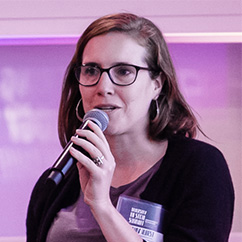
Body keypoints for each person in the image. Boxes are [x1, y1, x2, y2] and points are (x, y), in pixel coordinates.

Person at [26, 13, 234, 242]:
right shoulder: (57, 180)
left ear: (157, 84)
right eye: (91, 70)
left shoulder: (199, 167)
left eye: (124, 71)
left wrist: (102, 207)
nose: (103, 87)